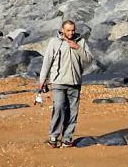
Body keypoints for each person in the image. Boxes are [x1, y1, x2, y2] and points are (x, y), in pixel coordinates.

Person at [37, 20, 93, 148]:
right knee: (59, 108)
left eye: (73, 30)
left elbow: (89, 59)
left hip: (75, 82)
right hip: (58, 82)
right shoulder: (54, 42)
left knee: (73, 112)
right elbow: (47, 62)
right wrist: (42, 81)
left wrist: (77, 47)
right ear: (62, 30)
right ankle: (53, 136)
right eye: (68, 30)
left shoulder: (81, 41)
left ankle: (67, 139)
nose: (71, 32)